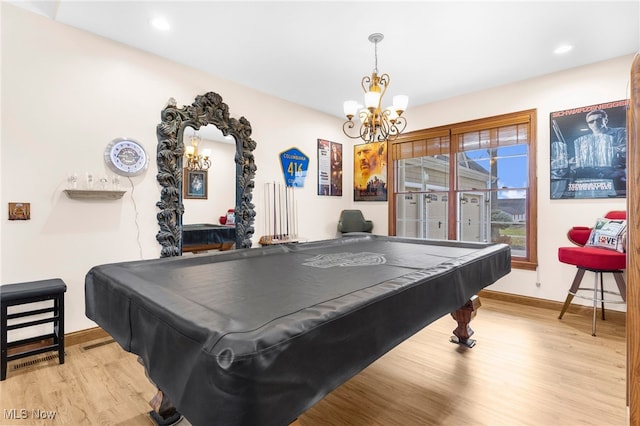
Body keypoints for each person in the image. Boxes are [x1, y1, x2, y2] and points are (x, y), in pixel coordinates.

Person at [571, 109, 626, 195]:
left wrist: (606, 150)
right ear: (588, 125)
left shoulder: (620, 132)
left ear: (605, 120)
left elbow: (625, 149)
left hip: (616, 177)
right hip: (593, 180)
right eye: (591, 121)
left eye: (598, 120)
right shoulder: (584, 141)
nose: (595, 123)